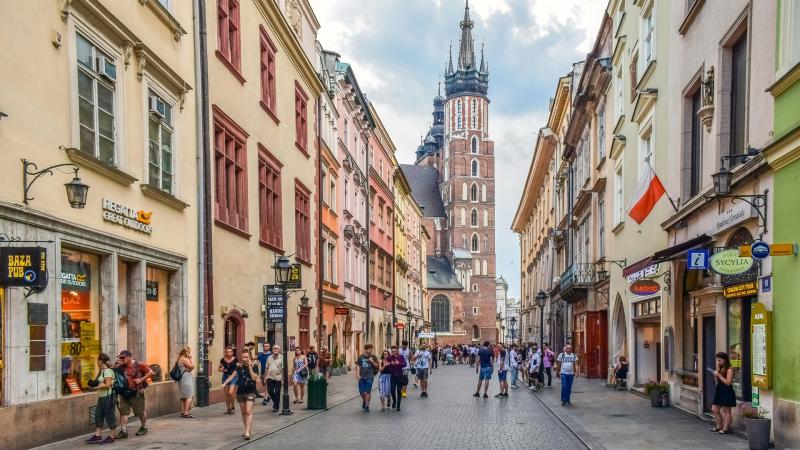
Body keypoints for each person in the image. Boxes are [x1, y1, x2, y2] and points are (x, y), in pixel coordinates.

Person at [115, 350, 154, 438]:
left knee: (140, 412)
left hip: (136, 392)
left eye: (123, 357)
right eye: (120, 357)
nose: (121, 359)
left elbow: (151, 372)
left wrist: (141, 380)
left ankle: (144, 426)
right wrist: (116, 366)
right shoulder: (120, 366)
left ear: (129, 357)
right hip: (124, 392)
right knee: (123, 412)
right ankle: (124, 430)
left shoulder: (139, 365)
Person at [222, 351, 259, 440]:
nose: (245, 359)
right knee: (243, 413)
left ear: (250, 357)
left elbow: (254, 378)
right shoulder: (239, 367)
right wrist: (224, 383)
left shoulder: (255, 366)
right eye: (243, 357)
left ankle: (247, 432)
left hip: (251, 391)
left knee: (248, 411)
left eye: (247, 357)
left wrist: (250, 367)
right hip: (241, 391)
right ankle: (248, 430)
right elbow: (232, 376)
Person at [85, 354, 118, 444]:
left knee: (109, 415)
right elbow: (103, 382)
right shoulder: (103, 371)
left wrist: (96, 387)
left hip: (108, 396)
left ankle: (112, 436)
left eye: (97, 360)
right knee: (98, 415)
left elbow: (107, 384)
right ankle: (97, 435)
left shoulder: (107, 371)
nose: (97, 362)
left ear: (100, 361)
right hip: (102, 397)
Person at [711, 352, 736, 434]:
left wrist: (718, 375)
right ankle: (718, 426)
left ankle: (725, 429)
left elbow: (728, 382)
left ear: (725, 360)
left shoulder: (730, 369)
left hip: (727, 391)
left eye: (720, 360)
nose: (718, 362)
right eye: (717, 360)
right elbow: (717, 382)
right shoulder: (721, 368)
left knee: (727, 411)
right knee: (714, 410)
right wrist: (715, 376)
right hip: (719, 390)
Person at [356, 344, 379, 412]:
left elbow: (377, 366)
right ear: (365, 349)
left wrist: (372, 361)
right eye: (369, 349)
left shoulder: (373, 357)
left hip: (370, 377)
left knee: (368, 391)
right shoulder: (360, 357)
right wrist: (357, 375)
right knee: (361, 392)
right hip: (362, 377)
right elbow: (358, 366)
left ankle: (366, 406)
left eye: (371, 349)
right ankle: (365, 401)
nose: (371, 350)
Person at [218, 346, 238, 415]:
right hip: (225, 377)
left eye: (230, 352)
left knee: (231, 393)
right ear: (225, 352)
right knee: (226, 394)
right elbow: (219, 368)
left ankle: (233, 407)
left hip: (234, 377)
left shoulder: (235, 359)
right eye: (227, 352)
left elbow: (237, 368)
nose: (229, 353)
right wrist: (223, 370)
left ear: (232, 352)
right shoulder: (223, 360)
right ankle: (228, 409)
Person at [386, 345, 407, 411]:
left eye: (395, 351)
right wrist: (390, 364)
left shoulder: (401, 357)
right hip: (392, 376)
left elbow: (405, 364)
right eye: (392, 351)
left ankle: (398, 405)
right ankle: (394, 401)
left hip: (400, 376)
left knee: (398, 391)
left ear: (397, 350)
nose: (393, 352)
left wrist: (399, 363)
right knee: (392, 390)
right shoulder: (389, 357)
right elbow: (386, 366)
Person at [177, 347, 195, 418]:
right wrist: (190, 359)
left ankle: (183, 412)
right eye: (189, 352)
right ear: (186, 353)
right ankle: (186, 413)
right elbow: (192, 366)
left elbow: (189, 368)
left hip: (182, 378)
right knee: (189, 396)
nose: (189, 354)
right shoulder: (184, 359)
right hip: (186, 378)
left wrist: (189, 369)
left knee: (183, 396)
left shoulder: (179, 359)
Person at [265, 345, 283, 413]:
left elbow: (284, 369)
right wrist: (265, 377)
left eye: (277, 348)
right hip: (269, 377)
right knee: (270, 391)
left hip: (278, 377)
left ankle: (276, 407)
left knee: (277, 392)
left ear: (279, 350)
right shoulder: (269, 357)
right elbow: (266, 368)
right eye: (274, 348)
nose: (275, 349)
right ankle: (276, 402)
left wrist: (283, 379)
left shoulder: (282, 357)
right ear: (272, 349)